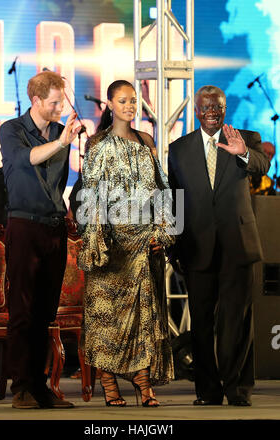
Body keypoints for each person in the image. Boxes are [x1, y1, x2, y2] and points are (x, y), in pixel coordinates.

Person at [168, 85, 270, 407]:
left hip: (237, 244)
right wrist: (173, 247)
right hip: (197, 247)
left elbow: (262, 166)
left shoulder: (245, 138)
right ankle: (208, 391)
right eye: (206, 107)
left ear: (225, 109)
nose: (212, 112)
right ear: (196, 110)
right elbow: (175, 201)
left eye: (218, 107)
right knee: (201, 323)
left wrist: (241, 152)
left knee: (236, 321)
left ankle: (238, 389)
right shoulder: (179, 149)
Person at [77, 80, 174, 407]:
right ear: (110, 104)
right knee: (107, 316)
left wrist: (163, 232)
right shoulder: (97, 144)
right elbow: (89, 196)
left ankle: (144, 384)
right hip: (109, 245)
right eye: (123, 100)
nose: (130, 106)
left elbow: (162, 190)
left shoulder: (146, 141)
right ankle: (109, 384)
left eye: (134, 101)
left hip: (144, 244)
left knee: (144, 317)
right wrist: (96, 242)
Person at [0, 71, 81, 409]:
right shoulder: (12, 130)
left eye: (62, 102)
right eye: (54, 103)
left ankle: (41, 385)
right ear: (36, 101)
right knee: (22, 309)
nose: (60, 108)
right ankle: (21, 387)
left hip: (53, 227)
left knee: (46, 312)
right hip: (24, 226)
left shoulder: (63, 133)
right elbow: (24, 160)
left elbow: (59, 181)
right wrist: (62, 143)